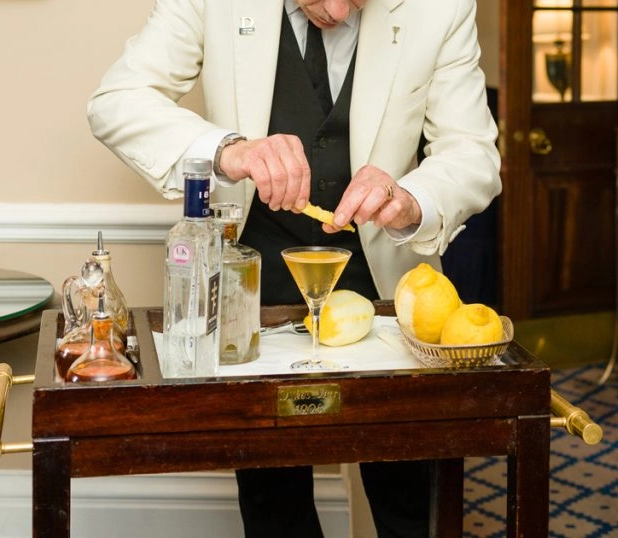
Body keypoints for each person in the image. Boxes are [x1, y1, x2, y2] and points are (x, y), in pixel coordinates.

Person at [88, 0, 501, 535]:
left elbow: (472, 152)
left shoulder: (440, 8)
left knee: (412, 500)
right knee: (273, 505)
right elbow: (117, 101)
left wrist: (411, 200)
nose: (337, 10)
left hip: (388, 289)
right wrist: (228, 151)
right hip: (252, 293)